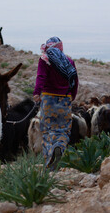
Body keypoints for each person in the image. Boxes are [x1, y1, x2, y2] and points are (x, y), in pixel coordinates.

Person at [33, 36, 79, 171]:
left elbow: (41, 76)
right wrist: (72, 96)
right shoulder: (69, 61)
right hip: (65, 99)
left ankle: (49, 162)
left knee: (47, 130)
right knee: (63, 130)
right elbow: (74, 80)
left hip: (48, 99)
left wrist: (37, 92)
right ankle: (59, 146)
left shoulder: (45, 59)